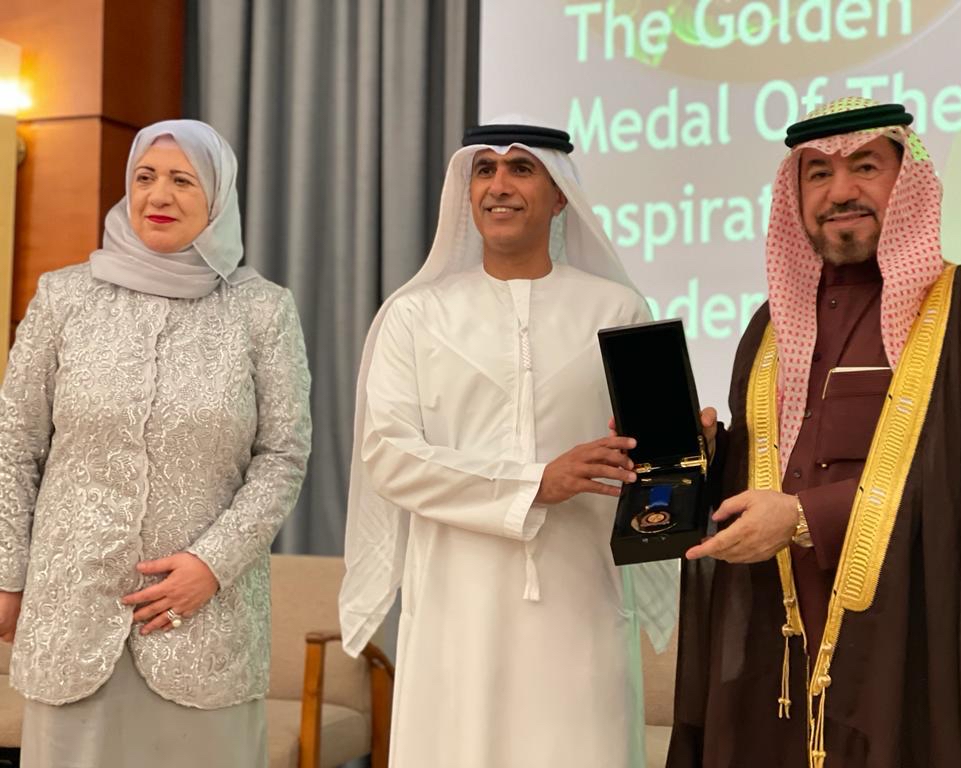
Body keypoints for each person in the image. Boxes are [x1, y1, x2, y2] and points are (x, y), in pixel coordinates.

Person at [665, 98, 961, 768]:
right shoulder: (767, 327)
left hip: (902, 643)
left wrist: (806, 517)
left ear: (905, 181)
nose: (840, 192)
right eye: (819, 174)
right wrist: (704, 457)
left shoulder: (959, 309)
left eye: (865, 167)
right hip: (778, 649)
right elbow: (760, 472)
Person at [338, 123, 678, 767]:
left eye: (522, 169)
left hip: (582, 599)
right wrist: (534, 483)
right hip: (456, 605)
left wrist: (688, 444)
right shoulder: (415, 315)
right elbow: (389, 455)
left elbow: (661, 463)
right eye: (485, 170)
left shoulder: (620, 310)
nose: (499, 185)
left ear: (560, 196)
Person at [0, 120, 311, 767]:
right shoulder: (64, 297)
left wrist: (212, 565)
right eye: (145, 177)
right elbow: (14, 444)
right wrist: (7, 575)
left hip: (204, 622)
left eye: (182, 181)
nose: (158, 195)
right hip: (72, 612)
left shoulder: (262, 309)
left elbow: (283, 456)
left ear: (217, 196)